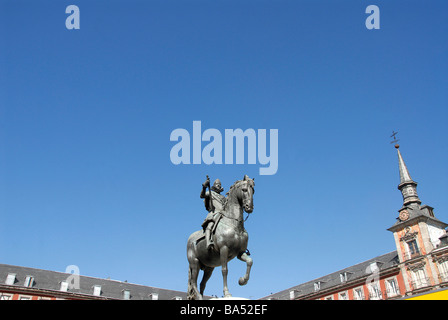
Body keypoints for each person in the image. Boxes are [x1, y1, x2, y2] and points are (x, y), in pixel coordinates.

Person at [200, 176, 226, 250]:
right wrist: (204, 187)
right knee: (210, 225)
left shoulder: (223, 197)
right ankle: (208, 241)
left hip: (223, 214)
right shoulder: (211, 193)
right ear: (214, 185)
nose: (219, 186)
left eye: (220, 185)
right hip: (214, 213)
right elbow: (202, 196)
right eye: (218, 185)